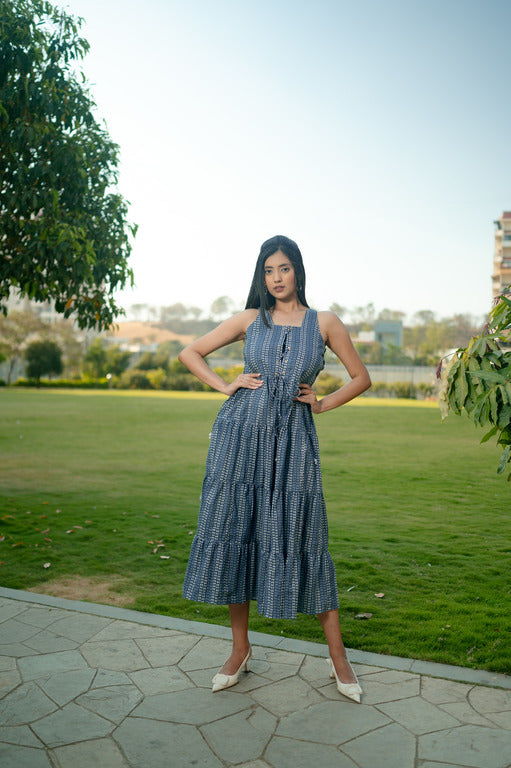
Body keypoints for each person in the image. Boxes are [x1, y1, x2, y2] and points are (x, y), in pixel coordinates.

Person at [179, 235, 371, 702]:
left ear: (298, 271)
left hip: (294, 444)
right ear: (261, 276)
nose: (276, 278)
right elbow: (190, 352)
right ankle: (240, 649)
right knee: (237, 533)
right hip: (240, 439)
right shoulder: (250, 319)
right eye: (269, 270)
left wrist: (322, 404)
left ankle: (338, 657)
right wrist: (226, 385)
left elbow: (361, 377)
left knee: (305, 536)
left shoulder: (325, 322)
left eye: (283, 268)